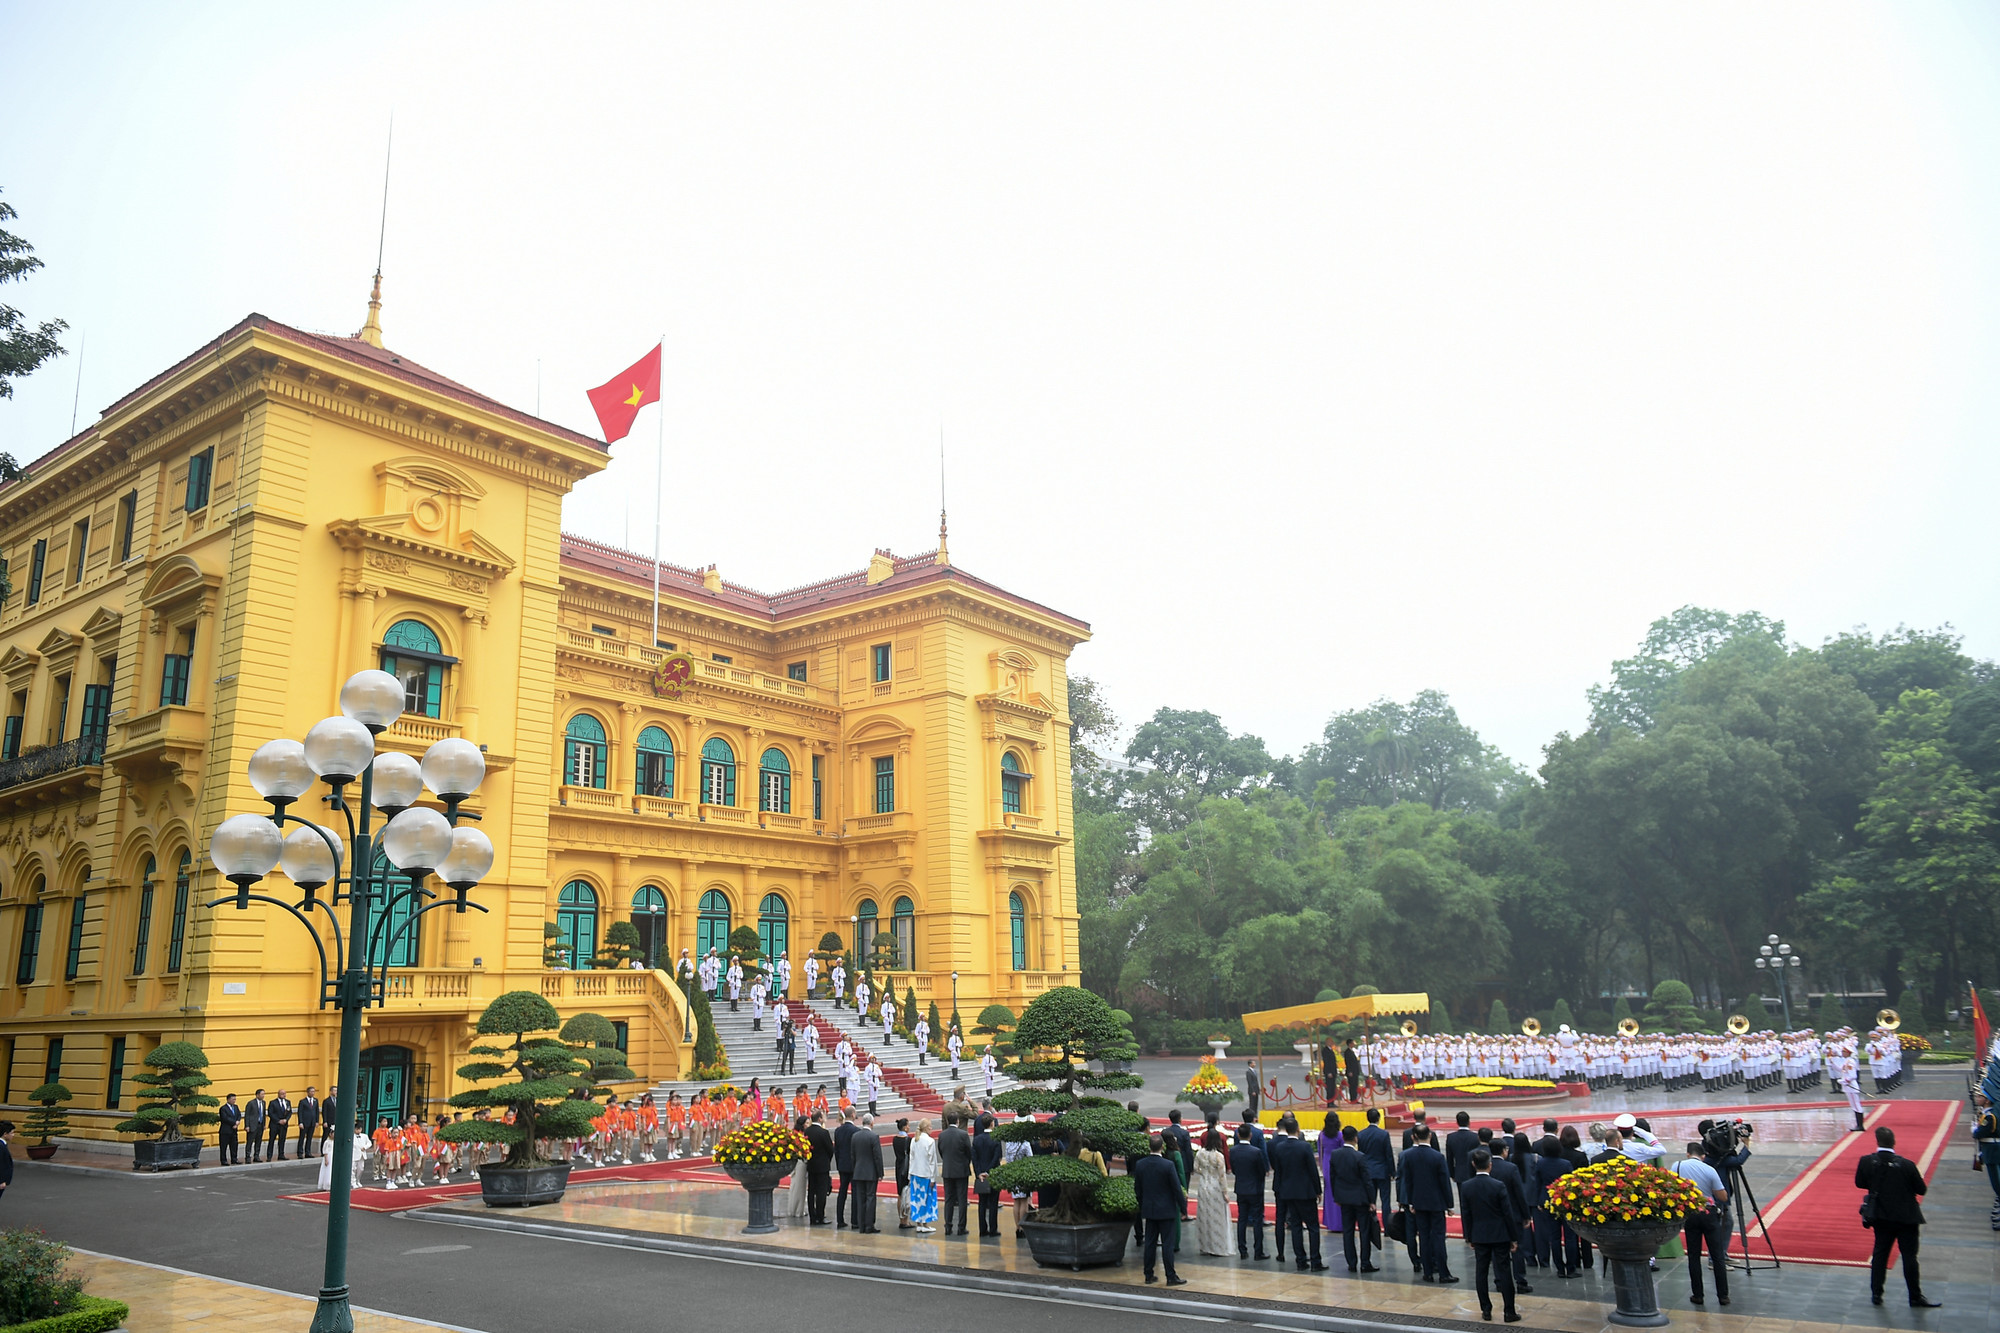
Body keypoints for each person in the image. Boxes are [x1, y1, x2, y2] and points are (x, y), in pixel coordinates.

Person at [1854, 1125, 1940, 1308]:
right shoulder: (1907, 1165)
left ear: (1877, 1142)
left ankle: (1876, 1294)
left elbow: (1859, 1183)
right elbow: (1921, 1189)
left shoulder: (1866, 1161)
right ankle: (1915, 1296)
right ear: (1894, 1142)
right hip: (1906, 1217)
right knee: (1909, 1257)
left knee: (1880, 1254)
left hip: (1881, 1216)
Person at [1459, 1148, 1523, 1323]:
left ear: (1473, 1164)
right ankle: (1509, 1311)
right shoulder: (1498, 1185)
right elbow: (1507, 1214)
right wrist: (1513, 1237)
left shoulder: (1466, 1186)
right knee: (1504, 1272)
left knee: (1481, 1272)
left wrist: (1469, 1236)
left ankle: (1486, 1310)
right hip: (1500, 1234)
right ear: (1490, 1165)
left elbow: (1466, 1214)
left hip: (1479, 1234)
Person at [1671, 1140, 1730, 1306]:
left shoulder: (1677, 1165)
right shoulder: (1709, 1169)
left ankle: (1698, 1294)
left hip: (1690, 1213)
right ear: (1703, 1156)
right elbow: (1723, 1197)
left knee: (1694, 1256)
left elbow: (1672, 1186)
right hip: (1709, 1214)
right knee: (1717, 1256)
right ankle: (1723, 1295)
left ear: (1688, 1154)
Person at [1396, 1125, 1457, 1283]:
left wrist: (1410, 1202)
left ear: (1414, 1136)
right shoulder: (1437, 1157)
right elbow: (1444, 1182)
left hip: (1418, 1202)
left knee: (1423, 1237)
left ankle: (1427, 1272)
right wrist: (1449, 1204)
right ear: (1430, 1136)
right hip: (1436, 1203)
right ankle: (1443, 1273)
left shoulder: (1408, 1156)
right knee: (1438, 1237)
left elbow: (1407, 1181)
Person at [1268, 1114, 1326, 1271]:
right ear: (1298, 1130)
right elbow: (1312, 1170)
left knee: (1296, 1227)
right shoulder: (1304, 1146)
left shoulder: (1279, 1147)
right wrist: (1318, 1190)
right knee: (1313, 1227)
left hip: (1287, 1192)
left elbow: (1278, 1171)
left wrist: (1280, 1190)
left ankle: (1300, 1260)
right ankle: (1315, 1261)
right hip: (1305, 1192)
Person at [1133, 1133, 1189, 1286]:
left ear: (1149, 1146)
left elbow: (1137, 1189)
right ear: (1162, 1147)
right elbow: (1176, 1189)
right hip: (1166, 1210)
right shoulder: (1167, 1165)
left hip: (1150, 1209)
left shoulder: (1141, 1164)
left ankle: (1148, 1274)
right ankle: (1170, 1276)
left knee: (1150, 1243)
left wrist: (1143, 1203)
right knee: (1167, 1245)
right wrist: (1183, 1208)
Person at [1328, 1124, 1378, 1273]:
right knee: (1364, 1231)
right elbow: (1367, 1181)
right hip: (1360, 1199)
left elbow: (1332, 1178)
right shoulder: (1360, 1156)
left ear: (1343, 1137)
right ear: (1355, 1138)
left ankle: (1351, 1262)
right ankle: (1364, 1262)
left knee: (1348, 1231)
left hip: (1344, 1198)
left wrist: (1336, 1196)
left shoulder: (1335, 1155)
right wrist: (1372, 1201)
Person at [1488, 1137, 1533, 1294]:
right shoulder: (1511, 1168)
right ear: (1503, 1151)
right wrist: (1526, 1215)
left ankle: (1499, 1280)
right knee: (1517, 1248)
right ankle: (1520, 1281)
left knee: (1497, 1251)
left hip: (1493, 1216)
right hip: (1513, 1214)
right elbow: (1519, 1194)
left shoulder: (1488, 1168)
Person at [1229, 1122, 1270, 1259]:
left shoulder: (1233, 1151)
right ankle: (1258, 1251)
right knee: (1257, 1221)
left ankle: (1243, 1250)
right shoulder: (1256, 1152)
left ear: (1238, 1135)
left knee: (1242, 1220)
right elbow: (1261, 1171)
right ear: (1250, 1135)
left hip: (1241, 1188)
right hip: (1255, 1189)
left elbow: (1234, 1169)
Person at [1191, 1128, 1232, 1257]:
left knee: (1205, 1215)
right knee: (1217, 1216)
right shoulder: (1218, 1156)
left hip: (1203, 1185)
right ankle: (1218, 1245)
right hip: (1215, 1187)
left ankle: (1205, 1245)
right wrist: (1225, 1192)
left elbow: (1195, 1168)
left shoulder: (1200, 1153)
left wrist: (1205, 1173)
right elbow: (1222, 1176)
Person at [1358, 1107, 1396, 1227]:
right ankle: (1387, 1227)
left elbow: (1361, 1154)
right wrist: (1393, 1172)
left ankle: (1373, 1226)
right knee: (1385, 1201)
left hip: (1368, 1171)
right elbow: (1388, 1154)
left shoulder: (1361, 1134)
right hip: (1382, 1171)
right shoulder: (1383, 1134)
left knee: (1371, 1200)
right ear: (1378, 1119)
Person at [939, 1112, 974, 1237]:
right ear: (957, 1121)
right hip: (961, 1170)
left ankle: (948, 1226)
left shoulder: (942, 1135)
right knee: (962, 1199)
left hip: (948, 1170)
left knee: (948, 1199)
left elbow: (941, 1151)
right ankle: (961, 1227)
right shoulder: (963, 1135)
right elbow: (969, 1152)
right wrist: (965, 1163)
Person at [849, 1114, 884, 1233]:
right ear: (872, 1123)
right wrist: (880, 1173)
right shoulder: (873, 1137)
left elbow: (852, 1156)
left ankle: (861, 1225)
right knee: (870, 1198)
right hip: (870, 1173)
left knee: (860, 1199)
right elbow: (877, 1157)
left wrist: (855, 1169)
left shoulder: (855, 1136)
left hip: (858, 1171)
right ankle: (869, 1225)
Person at [908, 1117, 942, 1233]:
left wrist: (909, 1174)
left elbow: (911, 1158)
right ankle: (926, 1224)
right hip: (926, 1174)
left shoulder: (914, 1140)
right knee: (927, 1199)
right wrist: (933, 1177)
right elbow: (932, 1161)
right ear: (927, 1128)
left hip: (915, 1174)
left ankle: (919, 1223)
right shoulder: (930, 1141)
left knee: (917, 1199)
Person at [973, 1114, 1004, 1236]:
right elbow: (997, 1158)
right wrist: (989, 1171)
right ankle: (993, 1228)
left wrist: (979, 1172)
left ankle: (982, 1229)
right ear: (992, 1124)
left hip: (980, 1175)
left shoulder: (977, 1139)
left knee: (982, 1203)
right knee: (993, 1202)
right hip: (993, 1173)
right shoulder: (995, 1139)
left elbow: (974, 1159)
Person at [804, 1111, 835, 1224]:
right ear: (820, 1119)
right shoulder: (823, 1132)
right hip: (822, 1166)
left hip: (811, 1164)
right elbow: (830, 1149)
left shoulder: (807, 1131)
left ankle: (813, 1216)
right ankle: (820, 1216)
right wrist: (827, 1160)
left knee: (812, 1191)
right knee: (821, 1192)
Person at [1446, 1110, 1479, 1203]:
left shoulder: (1451, 1137)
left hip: (1459, 1173)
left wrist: (1452, 1173)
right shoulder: (1475, 1137)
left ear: (1457, 1122)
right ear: (1469, 1122)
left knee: (1463, 1201)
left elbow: (1449, 1157)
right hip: (1474, 1172)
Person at [833, 1109, 859, 1229]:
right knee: (855, 1193)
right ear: (853, 1115)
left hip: (842, 1165)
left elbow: (836, 1150)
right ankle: (855, 1220)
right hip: (853, 1166)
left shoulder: (838, 1130)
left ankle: (839, 1219)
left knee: (842, 1192)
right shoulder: (856, 1131)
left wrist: (839, 1164)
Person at [891, 1117, 913, 1228]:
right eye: (908, 1125)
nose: (909, 1127)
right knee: (906, 1193)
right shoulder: (908, 1140)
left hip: (898, 1166)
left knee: (900, 1193)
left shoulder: (895, 1139)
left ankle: (901, 1219)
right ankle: (905, 1219)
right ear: (904, 1127)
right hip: (906, 1167)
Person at [218, 1093, 243, 1166]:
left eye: (235, 1099)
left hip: (234, 1130)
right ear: (228, 1099)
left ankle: (234, 1159)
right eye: (233, 1099)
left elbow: (238, 1115)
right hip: (225, 1130)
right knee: (223, 1146)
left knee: (234, 1145)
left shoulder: (235, 1107)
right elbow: (225, 1118)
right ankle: (223, 1160)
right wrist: (234, 1122)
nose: (234, 1101)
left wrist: (237, 1122)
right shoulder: (223, 1108)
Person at [245, 1089, 268, 1163]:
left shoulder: (263, 1103)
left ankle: (256, 1155)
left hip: (260, 1125)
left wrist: (264, 1124)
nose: (263, 1096)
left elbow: (263, 1114)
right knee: (250, 1141)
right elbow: (247, 1115)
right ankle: (248, 1157)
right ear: (257, 1095)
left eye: (264, 1094)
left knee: (258, 1141)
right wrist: (247, 1125)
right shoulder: (251, 1103)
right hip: (252, 1125)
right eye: (262, 1094)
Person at [0, 1121, 14, 1203]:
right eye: (12, 1133)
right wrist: (1, 1181)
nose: (13, 1135)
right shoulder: (1, 1146)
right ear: (5, 1134)